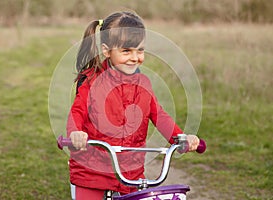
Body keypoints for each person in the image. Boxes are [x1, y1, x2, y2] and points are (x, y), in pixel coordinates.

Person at [66, 11, 200, 200]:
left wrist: (180, 138)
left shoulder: (143, 83)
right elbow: (76, 112)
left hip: (130, 175)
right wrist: (75, 133)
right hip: (91, 174)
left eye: (140, 50)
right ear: (107, 50)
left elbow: (158, 115)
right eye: (126, 51)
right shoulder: (92, 81)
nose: (135, 57)